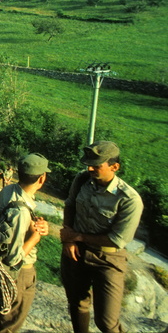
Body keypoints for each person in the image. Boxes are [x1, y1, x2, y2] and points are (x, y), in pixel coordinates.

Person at [60, 141, 144, 333]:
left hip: (107, 259)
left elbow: (116, 240)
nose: (90, 169)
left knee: (107, 321)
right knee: (77, 303)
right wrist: (69, 238)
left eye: (96, 166)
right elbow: (70, 205)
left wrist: (77, 237)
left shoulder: (129, 199)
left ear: (114, 167)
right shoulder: (82, 180)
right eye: (88, 164)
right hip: (76, 253)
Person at [0, 153, 51, 333]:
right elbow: (14, 258)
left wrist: (35, 224)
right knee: (10, 319)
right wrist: (34, 238)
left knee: (1, 311)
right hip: (19, 271)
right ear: (42, 178)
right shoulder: (20, 210)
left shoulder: (9, 191)